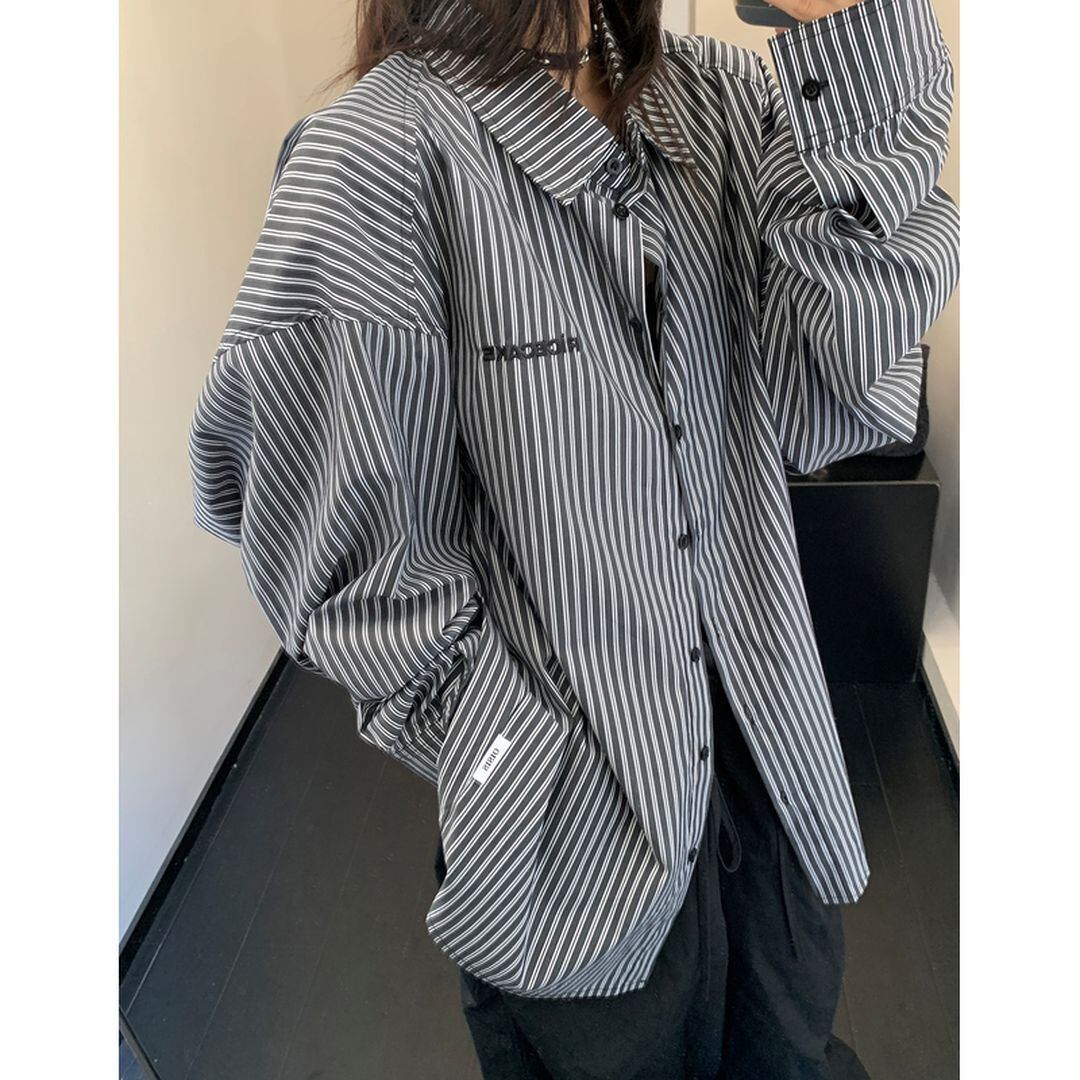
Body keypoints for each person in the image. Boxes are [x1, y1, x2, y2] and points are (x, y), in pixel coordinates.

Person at [188, 0, 958, 1076]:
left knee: (786, 1046)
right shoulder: (373, 161)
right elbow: (341, 565)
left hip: (772, 769)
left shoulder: (716, 103)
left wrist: (858, 26)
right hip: (574, 838)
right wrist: (510, 757)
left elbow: (829, 400)